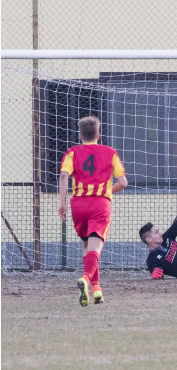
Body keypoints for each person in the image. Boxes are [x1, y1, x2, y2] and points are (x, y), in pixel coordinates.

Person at [58, 116, 128, 307]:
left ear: (80, 135)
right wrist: (106, 191)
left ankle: (96, 290)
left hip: (78, 205)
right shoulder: (110, 152)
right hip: (99, 205)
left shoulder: (72, 152)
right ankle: (86, 279)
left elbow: (64, 175)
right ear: (99, 134)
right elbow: (123, 182)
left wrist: (61, 203)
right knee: (95, 249)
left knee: (86, 247)